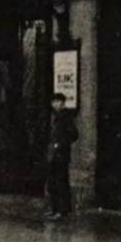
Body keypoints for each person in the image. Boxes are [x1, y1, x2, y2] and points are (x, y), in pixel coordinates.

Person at [46, 92, 79, 221]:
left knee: (61, 182)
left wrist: (61, 144)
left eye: (58, 102)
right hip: (53, 154)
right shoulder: (54, 116)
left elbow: (74, 135)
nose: (55, 104)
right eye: (53, 102)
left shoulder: (66, 117)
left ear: (63, 103)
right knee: (52, 182)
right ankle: (54, 209)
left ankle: (63, 210)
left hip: (61, 154)